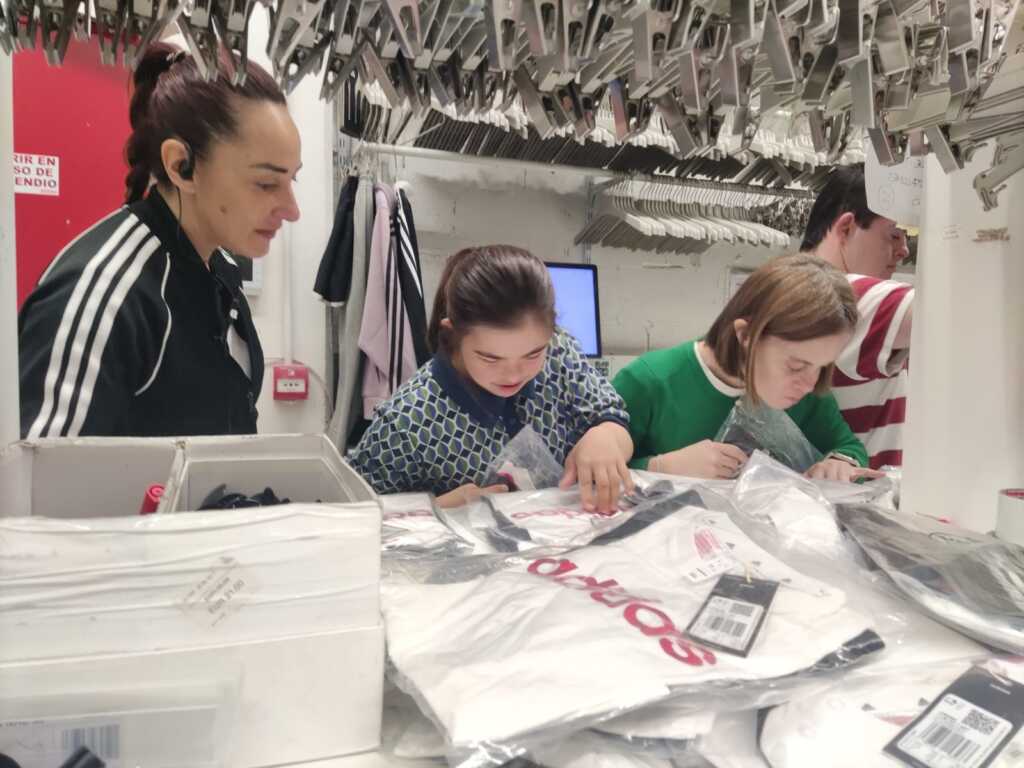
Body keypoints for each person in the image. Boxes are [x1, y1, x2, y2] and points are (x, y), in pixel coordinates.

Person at [19, 44, 301, 438]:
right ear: (181, 167)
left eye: (292, 179)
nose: (291, 209)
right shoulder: (108, 295)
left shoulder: (220, 274)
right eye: (266, 183)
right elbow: (43, 473)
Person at [348, 245, 635, 511]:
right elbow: (356, 514)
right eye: (490, 358)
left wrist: (607, 435)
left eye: (533, 354)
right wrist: (435, 509)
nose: (513, 374)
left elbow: (613, 416)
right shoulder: (406, 422)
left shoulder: (560, 353)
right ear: (453, 333)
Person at [613, 254, 880, 482]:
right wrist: (662, 467)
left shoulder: (808, 392)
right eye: (796, 365)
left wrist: (840, 463)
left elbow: (847, 446)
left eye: (823, 366)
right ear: (746, 335)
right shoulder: (650, 382)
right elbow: (591, 473)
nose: (810, 384)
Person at [800, 165, 913, 468]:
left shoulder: (788, 286)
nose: (904, 250)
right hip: (853, 490)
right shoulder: (836, 294)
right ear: (847, 228)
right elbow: (957, 311)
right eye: (894, 235)